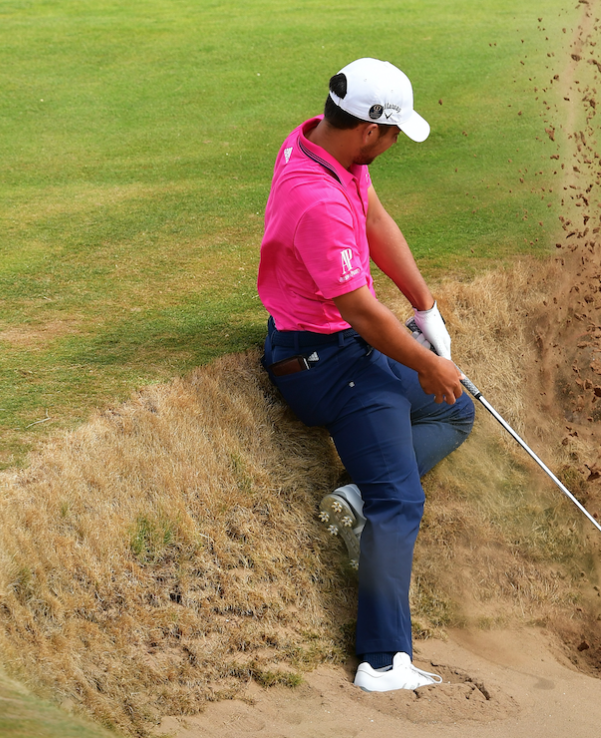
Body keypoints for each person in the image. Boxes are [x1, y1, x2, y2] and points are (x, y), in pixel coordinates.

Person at [256, 58, 475, 692]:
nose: (397, 143)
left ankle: (354, 496)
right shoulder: (316, 199)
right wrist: (428, 362)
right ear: (370, 130)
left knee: (454, 409)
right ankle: (382, 662)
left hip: (343, 345)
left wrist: (426, 308)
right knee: (400, 500)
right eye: (394, 133)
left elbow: (376, 223)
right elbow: (357, 308)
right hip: (325, 365)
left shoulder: (328, 150)